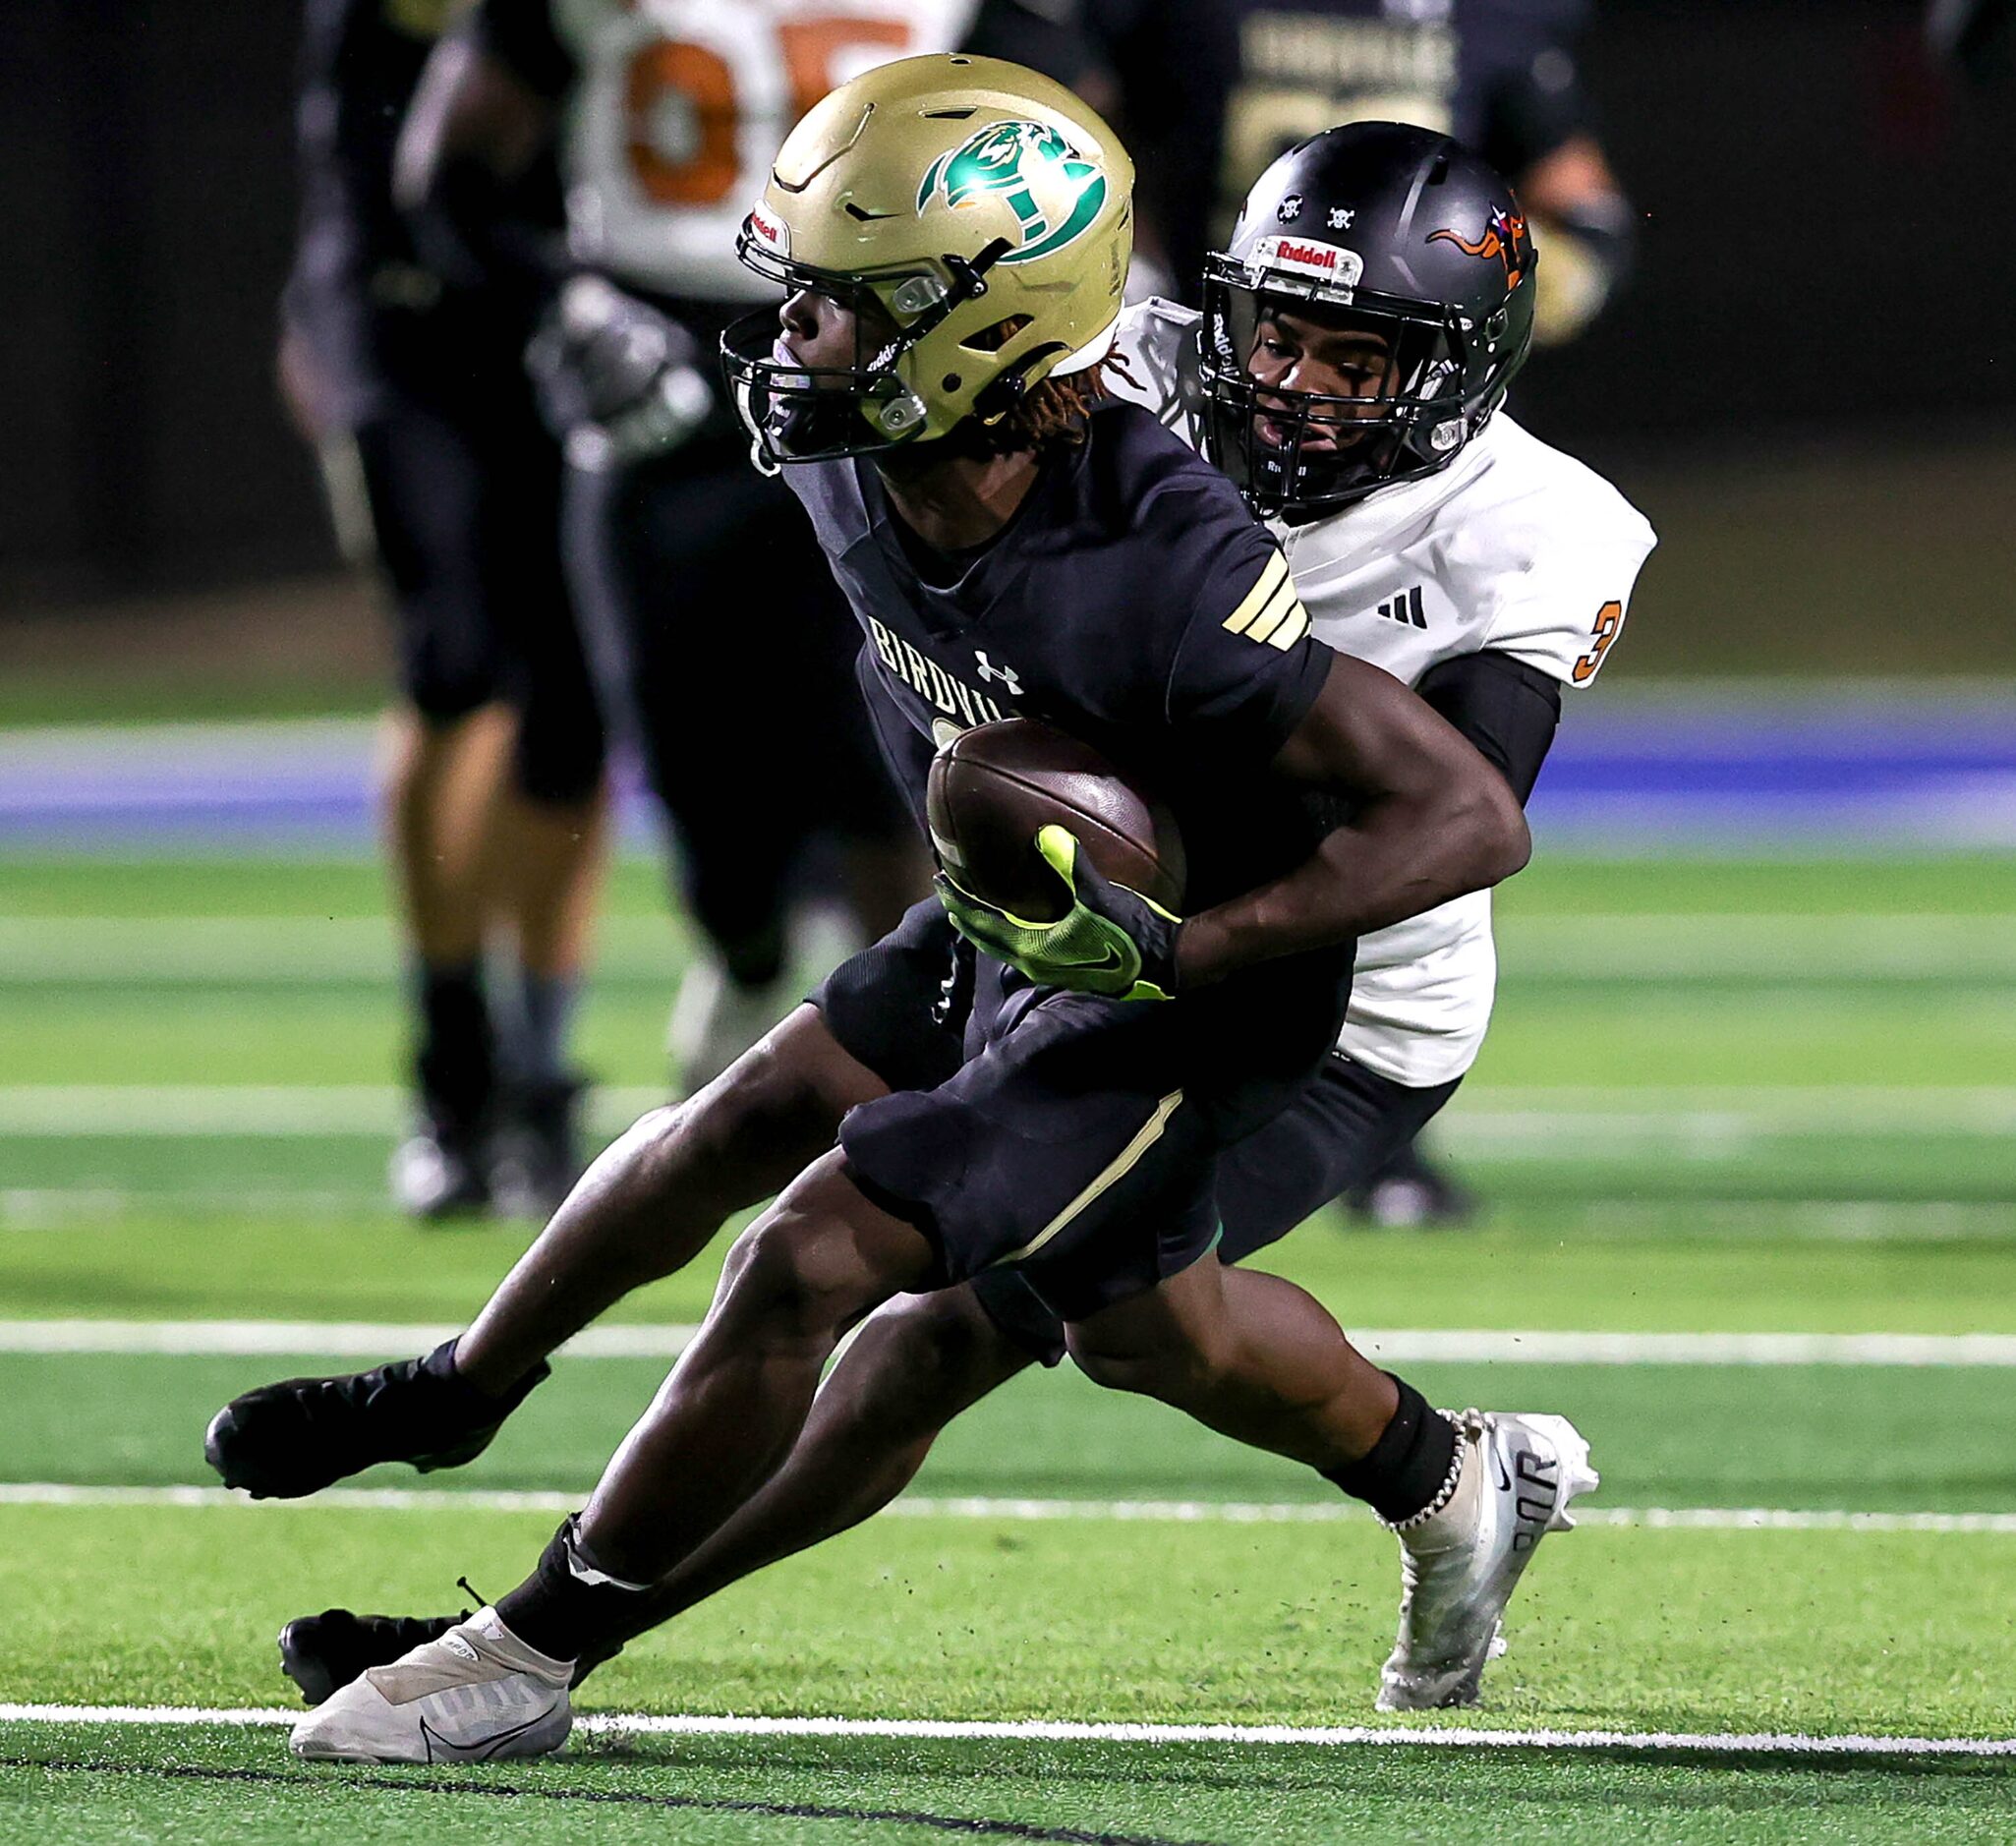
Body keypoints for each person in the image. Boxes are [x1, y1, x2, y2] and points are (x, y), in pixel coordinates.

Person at [208, 59, 1586, 1763]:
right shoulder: (1064, 361)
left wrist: (1182, 942)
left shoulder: (1465, 532)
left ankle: (537, 1638)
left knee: (934, 1314)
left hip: (1305, 971)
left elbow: (1461, 812)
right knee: (812, 1136)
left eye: (1355, 358)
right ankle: (1447, 1473)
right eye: (1275, 338)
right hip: (1059, 896)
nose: (1292, 388)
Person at [396, 1, 1112, 1091]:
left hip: (890, 358)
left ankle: (936, 1063)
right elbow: (447, 175)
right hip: (660, 363)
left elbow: (1079, 152)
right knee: (688, 765)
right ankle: (746, 949)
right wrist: (561, 299)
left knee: (895, 742)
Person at [282, 0, 611, 1219]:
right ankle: (450, 1063)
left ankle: (537, 1073)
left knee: (576, 713)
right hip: (404, 308)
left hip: (569, 303)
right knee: (455, 663)